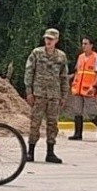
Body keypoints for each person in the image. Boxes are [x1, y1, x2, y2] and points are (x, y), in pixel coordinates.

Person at [24, 28, 68, 163]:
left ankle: (50, 152)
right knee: (35, 123)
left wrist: (64, 95)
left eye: (51, 39)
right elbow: (29, 71)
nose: (48, 41)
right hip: (39, 94)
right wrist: (29, 91)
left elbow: (64, 77)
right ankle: (30, 152)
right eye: (47, 38)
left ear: (56, 40)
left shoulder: (61, 56)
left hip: (54, 95)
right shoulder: (36, 53)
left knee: (52, 124)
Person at [67, 37, 97, 141]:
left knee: (91, 112)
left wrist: (93, 85)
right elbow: (77, 71)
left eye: (86, 43)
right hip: (78, 88)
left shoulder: (96, 58)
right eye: (82, 43)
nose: (83, 46)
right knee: (77, 111)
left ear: (91, 45)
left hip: (89, 88)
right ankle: (77, 134)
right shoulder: (80, 57)